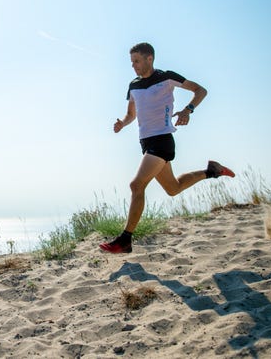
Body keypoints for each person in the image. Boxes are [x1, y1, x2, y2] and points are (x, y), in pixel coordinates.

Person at [99, 42, 235, 254]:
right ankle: (212, 171)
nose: (133, 66)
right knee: (173, 188)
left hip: (162, 140)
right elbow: (131, 114)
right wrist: (122, 123)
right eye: (131, 62)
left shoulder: (166, 77)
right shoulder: (133, 85)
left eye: (137, 61)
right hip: (146, 143)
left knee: (136, 185)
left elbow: (201, 90)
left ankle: (125, 240)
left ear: (149, 59)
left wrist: (187, 110)